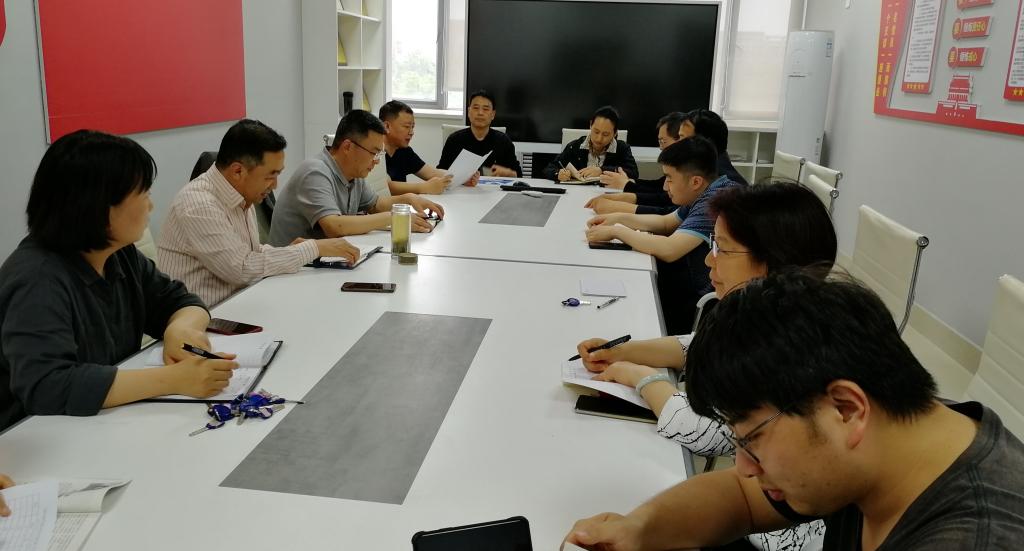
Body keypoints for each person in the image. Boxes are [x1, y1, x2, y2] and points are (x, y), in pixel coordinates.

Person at [565, 270, 1024, 550]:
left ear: (845, 409)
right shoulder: (897, 432)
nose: (744, 467)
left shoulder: (977, 537)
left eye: (752, 441)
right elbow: (743, 498)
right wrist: (639, 529)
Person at [577, 182, 837, 551]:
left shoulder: (791, 351)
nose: (708, 260)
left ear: (771, 263)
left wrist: (641, 377)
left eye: (722, 248)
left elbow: (707, 430)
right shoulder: (782, 317)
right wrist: (624, 351)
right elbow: (694, 346)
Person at [0, 130, 238, 431]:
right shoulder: (37, 280)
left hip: (104, 423)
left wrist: (180, 329)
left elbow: (180, 301)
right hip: (37, 437)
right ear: (100, 207)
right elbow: (47, 386)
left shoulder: (117, 254)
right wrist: (173, 380)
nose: (150, 206)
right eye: (144, 194)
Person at [158, 119, 361, 306]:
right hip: (207, 318)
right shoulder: (199, 205)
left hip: (241, 303)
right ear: (238, 171)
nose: (275, 185)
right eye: (270, 176)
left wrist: (290, 252)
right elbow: (241, 269)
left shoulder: (241, 194)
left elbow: (249, 252)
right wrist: (312, 248)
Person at [585, 136, 739, 333]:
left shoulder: (716, 201)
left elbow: (669, 250)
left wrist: (617, 231)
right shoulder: (708, 190)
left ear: (695, 181)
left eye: (670, 179)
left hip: (698, 302)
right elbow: (666, 223)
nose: (665, 186)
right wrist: (618, 218)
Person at [268, 110, 444, 245]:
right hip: (293, 271)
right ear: (347, 147)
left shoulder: (354, 174)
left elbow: (375, 205)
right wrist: (393, 218)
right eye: (374, 152)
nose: (376, 161)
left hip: (325, 261)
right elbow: (334, 227)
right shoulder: (314, 172)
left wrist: (408, 199)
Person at [590, 108, 748, 215]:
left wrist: (620, 205)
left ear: (702, 142)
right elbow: (668, 205)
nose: (678, 145)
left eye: (682, 138)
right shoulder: (710, 167)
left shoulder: (720, 184)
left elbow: (668, 212)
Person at [379, 100, 476, 193]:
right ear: (387, 126)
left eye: (412, 127)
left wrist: (463, 178)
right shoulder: (375, 151)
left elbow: (432, 173)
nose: (411, 132)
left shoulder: (404, 151)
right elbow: (386, 186)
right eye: (407, 127)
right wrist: (424, 187)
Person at [438, 90, 522, 177]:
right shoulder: (454, 140)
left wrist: (508, 173)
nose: (480, 113)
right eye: (476, 108)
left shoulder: (503, 141)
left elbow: (519, 175)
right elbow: (440, 172)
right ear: (469, 112)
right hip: (462, 185)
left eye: (485, 109)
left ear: (493, 114)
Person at [542, 105, 638, 182]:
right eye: (596, 132)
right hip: (577, 194)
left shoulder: (622, 148)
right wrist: (558, 174)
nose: (599, 139)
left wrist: (602, 170)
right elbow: (549, 168)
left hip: (608, 194)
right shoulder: (575, 146)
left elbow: (633, 173)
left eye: (605, 134)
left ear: (615, 133)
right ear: (590, 125)